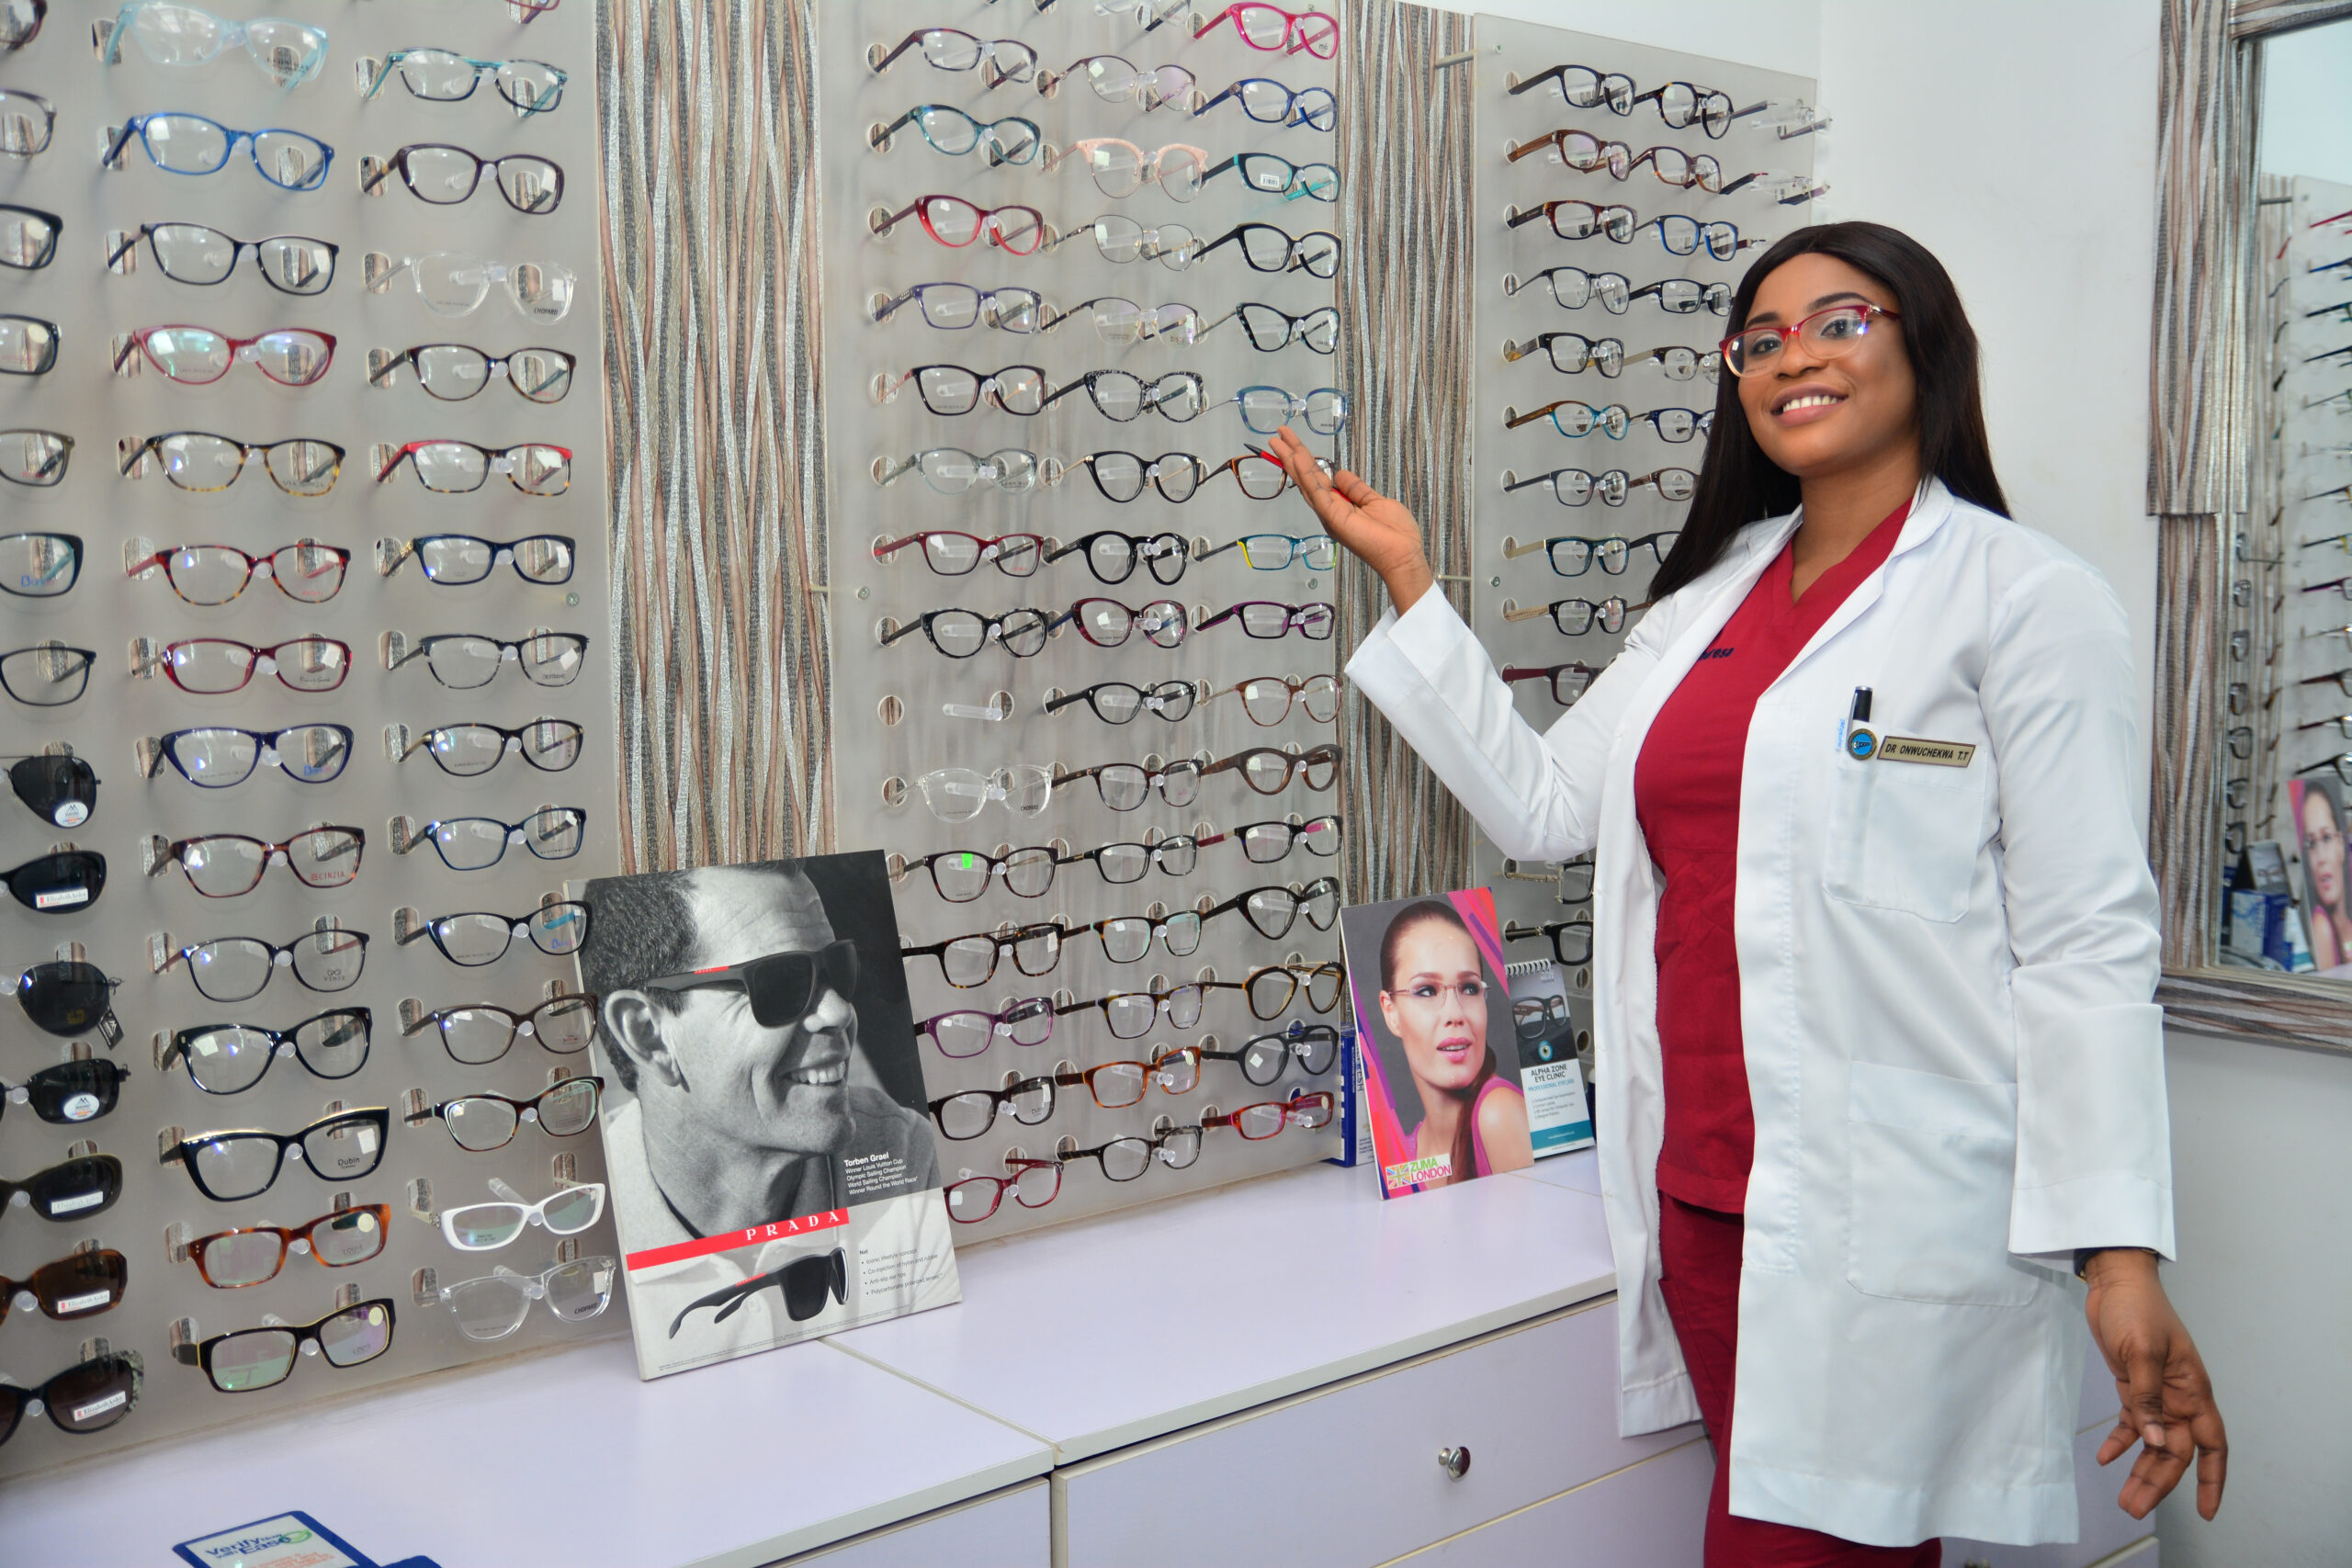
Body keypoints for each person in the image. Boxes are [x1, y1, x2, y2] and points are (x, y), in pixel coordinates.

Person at [1265, 221, 2226, 1562]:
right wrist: (1413, 583)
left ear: (1926, 350)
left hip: (1891, 1210)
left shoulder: (2022, 598)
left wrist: (2119, 1253)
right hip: (1703, 1195)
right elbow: (1547, 809)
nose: (1795, 358)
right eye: (1761, 340)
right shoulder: (1708, 599)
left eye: (1842, 322)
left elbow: (2084, 943)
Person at [580, 863, 950, 1364]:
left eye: (837, 969)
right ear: (648, 1034)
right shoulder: (583, 1239)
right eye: (780, 983)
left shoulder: (900, 1156)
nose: (840, 1012)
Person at [1375, 899, 1532, 1186]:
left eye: (1469, 988)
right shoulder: (1404, 1156)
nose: (1455, 1014)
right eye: (1426, 991)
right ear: (1391, 1012)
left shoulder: (1499, 1114)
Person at [2295, 780, 2352, 967]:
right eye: (2311, 844)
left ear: (2341, 844)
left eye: (2326, 838)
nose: (2321, 858)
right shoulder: (2322, 926)